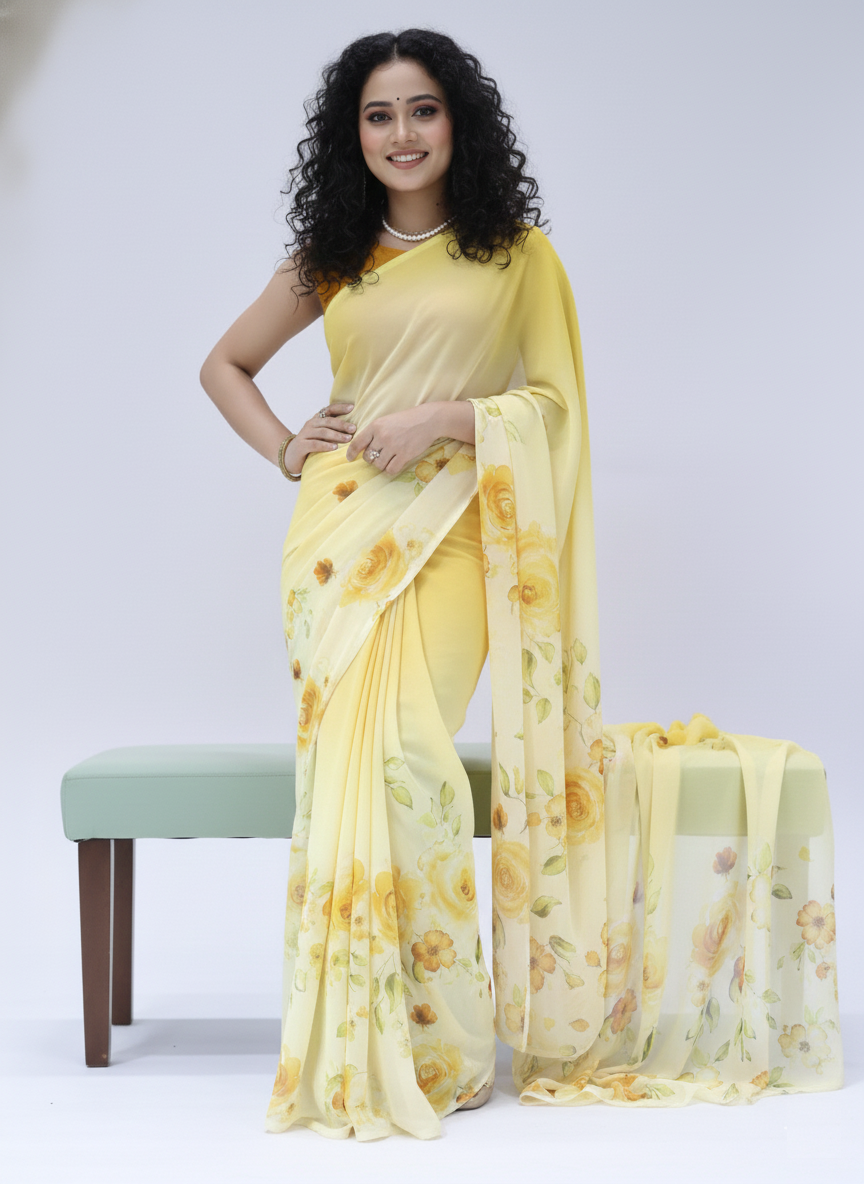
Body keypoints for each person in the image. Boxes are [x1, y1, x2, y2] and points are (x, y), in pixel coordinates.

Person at [200, 28, 842, 1143]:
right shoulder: (331, 254)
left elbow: (555, 405)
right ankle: (365, 1029)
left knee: (409, 757)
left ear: (460, 122)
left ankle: (441, 1042)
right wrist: (289, 447)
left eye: (423, 109)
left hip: (453, 533)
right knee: (354, 762)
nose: (402, 133)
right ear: (353, 135)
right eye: (379, 115)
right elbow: (224, 364)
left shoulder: (516, 254)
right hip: (339, 541)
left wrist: (446, 419)